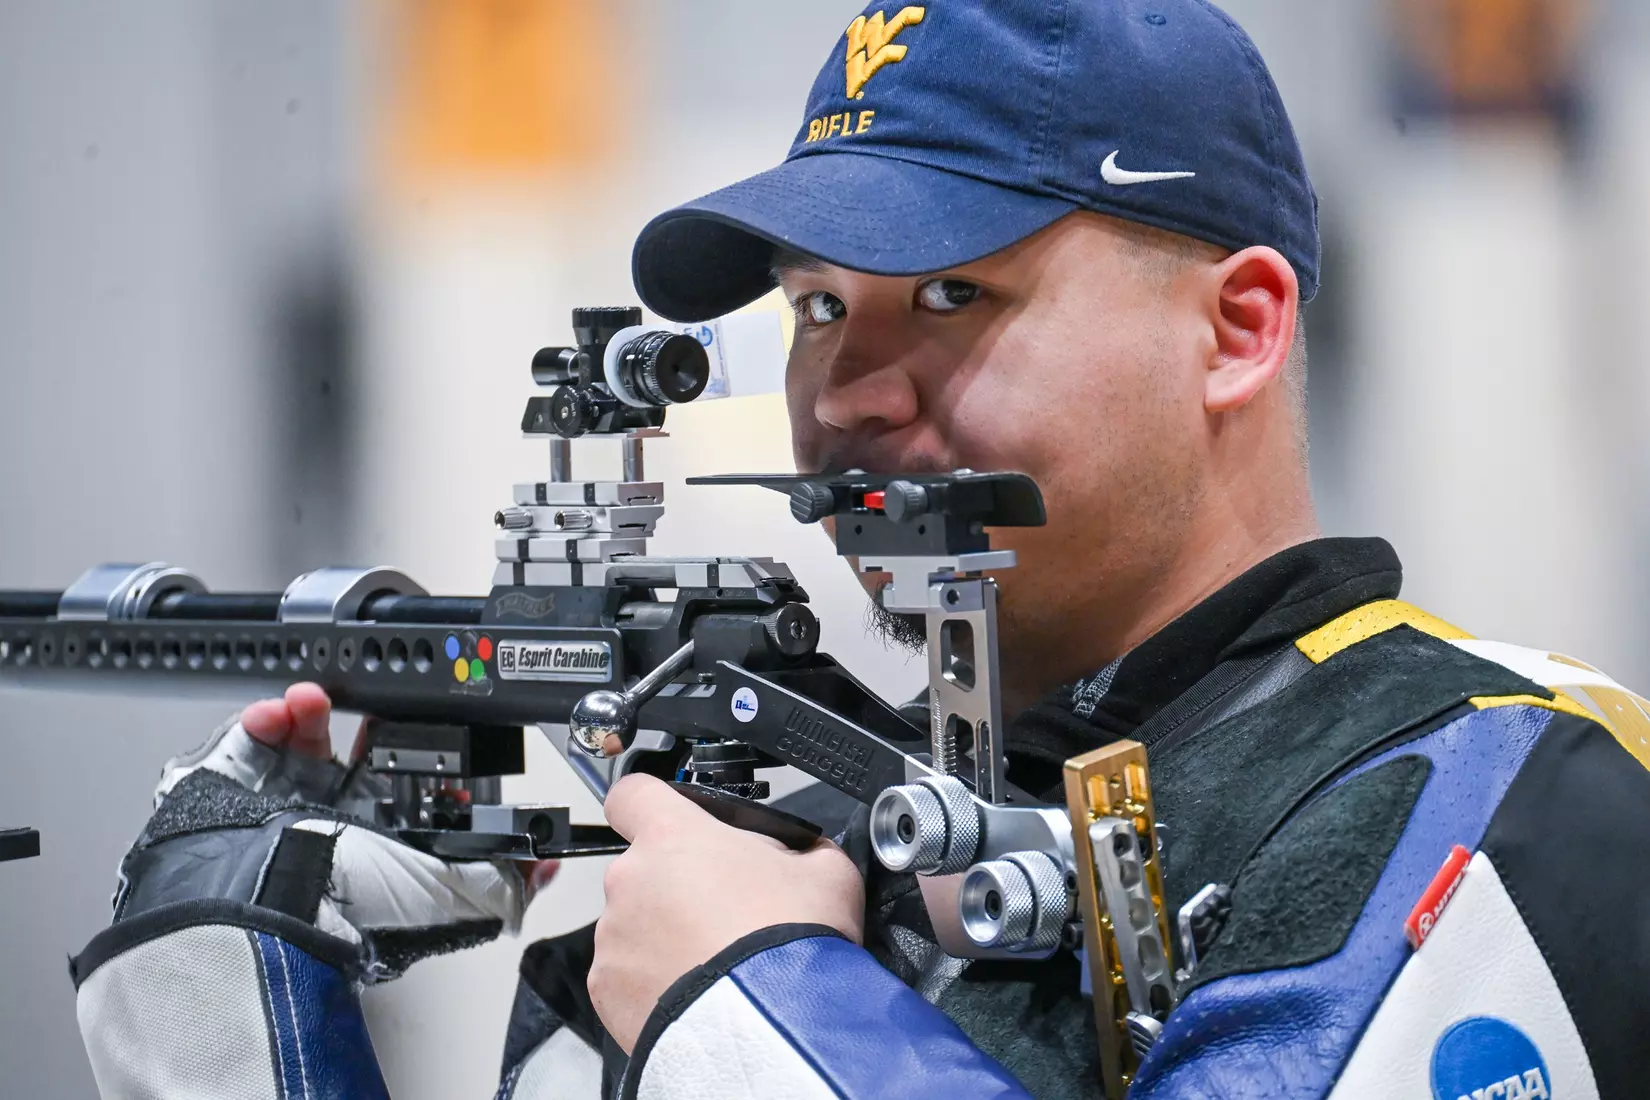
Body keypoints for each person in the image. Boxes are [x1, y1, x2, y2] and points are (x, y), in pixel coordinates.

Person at [68, 1, 1650, 1098]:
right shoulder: (790, 838)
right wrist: (228, 987)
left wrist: (750, 998)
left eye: (951, 296)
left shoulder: (1501, 785)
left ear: (1235, 328)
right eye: (819, 307)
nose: (849, 390)